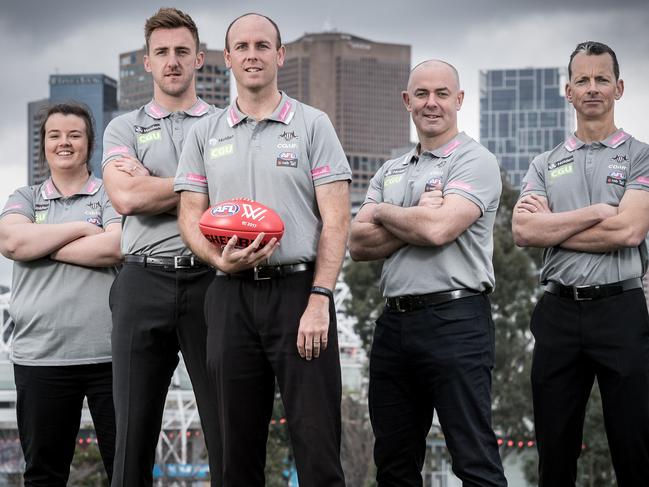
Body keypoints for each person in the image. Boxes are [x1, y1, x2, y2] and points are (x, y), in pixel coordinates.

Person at [174, 13, 350, 486]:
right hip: (228, 295)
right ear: (227, 57)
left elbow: (336, 219)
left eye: (263, 45)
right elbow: (191, 215)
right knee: (233, 454)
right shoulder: (204, 133)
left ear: (280, 55)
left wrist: (321, 298)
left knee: (317, 447)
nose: (253, 54)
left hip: (299, 294)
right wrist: (215, 258)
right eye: (242, 47)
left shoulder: (314, 125)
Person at [349, 60, 507, 486]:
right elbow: (358, 243)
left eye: (441, 94)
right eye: (421, 94)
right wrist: (410, 214)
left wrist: (384, 213)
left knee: (473, 461)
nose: (431, 103)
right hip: (394, 324)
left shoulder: (475, 160)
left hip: (455, 321)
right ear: (407, 101)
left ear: (458, 100)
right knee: (395, 465)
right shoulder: (390, 170)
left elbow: (439, 229)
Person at [512, 41, 649, 486]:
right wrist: (594, 213)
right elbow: (523, 233)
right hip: (558, 314)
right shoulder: (545, 163)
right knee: (555, 455)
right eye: (582, 80)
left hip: (621, 312)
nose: (592, 88)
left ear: (619, 88)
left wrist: (554, 225)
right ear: (567, 90)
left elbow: (628, 232)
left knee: (635, 449)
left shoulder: (640, 156)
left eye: (602, 79)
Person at [101, 8, 220, 486]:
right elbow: (126, 196)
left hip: (212, 278)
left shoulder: (222, 125)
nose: (172, 61)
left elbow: (239, 198)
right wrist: (202, 185)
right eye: (162, 52)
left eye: (181, 52)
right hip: (141, 280)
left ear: (200, 59)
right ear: (147, 62)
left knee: (226, 427)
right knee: (131, 437)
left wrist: (158, 184)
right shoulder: (122, 128)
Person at [0, 103, 121, 486]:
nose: (64, 143)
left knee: (126, 470)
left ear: (90, 143)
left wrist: (41, 244)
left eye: (74, 135)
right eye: (55, 135)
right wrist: (83, 230)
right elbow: (10, 241)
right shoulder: (25, 196)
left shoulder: (110, 195)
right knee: (43, 475)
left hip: (110, 357)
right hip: (41, 358)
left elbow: (115, 247)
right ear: (44, 144)